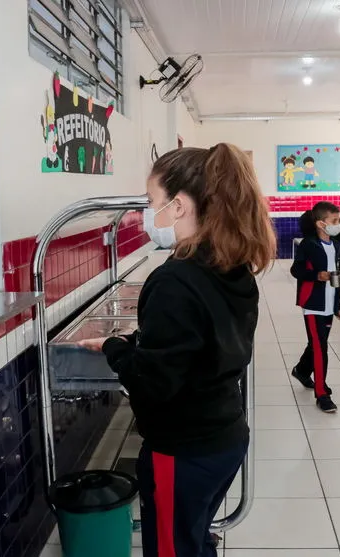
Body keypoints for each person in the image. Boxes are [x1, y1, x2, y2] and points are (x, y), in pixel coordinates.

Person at [77, 144, 275, 557]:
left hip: (183, 451)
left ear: (180, 205)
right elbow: (201, 344)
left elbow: (153, 382)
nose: (149, 214)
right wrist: (137, 343)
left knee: (171, 550)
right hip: (225, 436)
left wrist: (116, 347)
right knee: (194, 538)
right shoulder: (231, 267)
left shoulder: (175, 280)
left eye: (152, 203)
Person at [290, 202, 340, 413]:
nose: (338, 225)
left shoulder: (337, 245)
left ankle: (301, 370)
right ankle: (322, 393)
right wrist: (316, 275)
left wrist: (338, 303)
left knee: (316, 344)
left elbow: (337, 276)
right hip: (313, 303)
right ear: (321, 223)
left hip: (329, 303)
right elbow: (296, 270)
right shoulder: (309, 245)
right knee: (321, 347)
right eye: (335, 221)